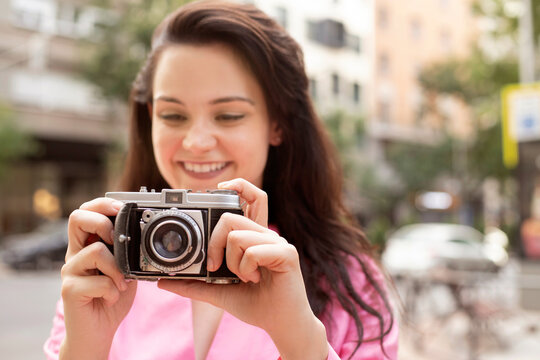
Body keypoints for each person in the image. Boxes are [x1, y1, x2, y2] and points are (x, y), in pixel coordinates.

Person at [44, 1, 398, 359]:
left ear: (277, 123)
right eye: (173, 115)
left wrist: (299, 338)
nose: (196, 142)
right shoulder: (103, 271)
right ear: (150, 118)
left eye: (228, 116)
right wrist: (85, 348)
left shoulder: (351, 285)